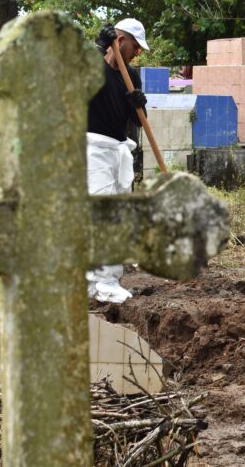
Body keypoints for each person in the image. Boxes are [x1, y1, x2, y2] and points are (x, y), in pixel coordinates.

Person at [86, 18, 149, 304]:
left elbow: (138, 121)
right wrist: (98, 47)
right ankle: (105, 282)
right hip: (91, 148)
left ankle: (96, 281)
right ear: (120, 41)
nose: (137, 53)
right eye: (135, 47)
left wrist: (138, 104)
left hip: (118, 149)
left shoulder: (130, 76)